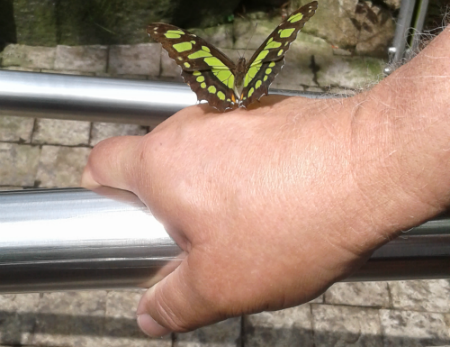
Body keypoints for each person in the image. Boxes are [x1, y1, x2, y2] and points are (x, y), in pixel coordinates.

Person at [82, 26, 450, 337]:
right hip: (231, 90)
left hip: (225, 91)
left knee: (237, 90)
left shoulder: (229, 68)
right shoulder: (246, 69)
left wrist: (352, 158)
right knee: (244, 90)